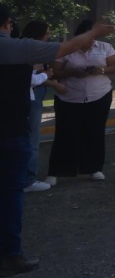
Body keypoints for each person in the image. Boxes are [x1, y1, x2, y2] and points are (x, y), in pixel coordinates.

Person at [0, 7, 115, 276]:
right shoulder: (14, 48)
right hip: (8, 131)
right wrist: (96, 31)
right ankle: (10, 255)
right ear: (6, 24)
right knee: (10, 192)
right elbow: (65, 49)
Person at [46, 18, 115, 185]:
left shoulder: (104, 48)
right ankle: (56, 171)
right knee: (65, 134)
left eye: (94, 37)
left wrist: (101, 70)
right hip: (69, 98)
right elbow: (54, 72)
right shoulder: (66, 50)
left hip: (99, 95)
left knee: (94, 132)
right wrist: (72, 72)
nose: (91, 40)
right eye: (88, 36)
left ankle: (93, 168)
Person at [20, 21, 62, 192]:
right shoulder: (28, 52)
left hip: (34, 94)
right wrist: (47, 75)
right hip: (31, 96)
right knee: (31, 138)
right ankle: (29, 179)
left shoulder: (24, 49)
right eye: (46, 33)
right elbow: (29, 78)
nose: (48, 36)